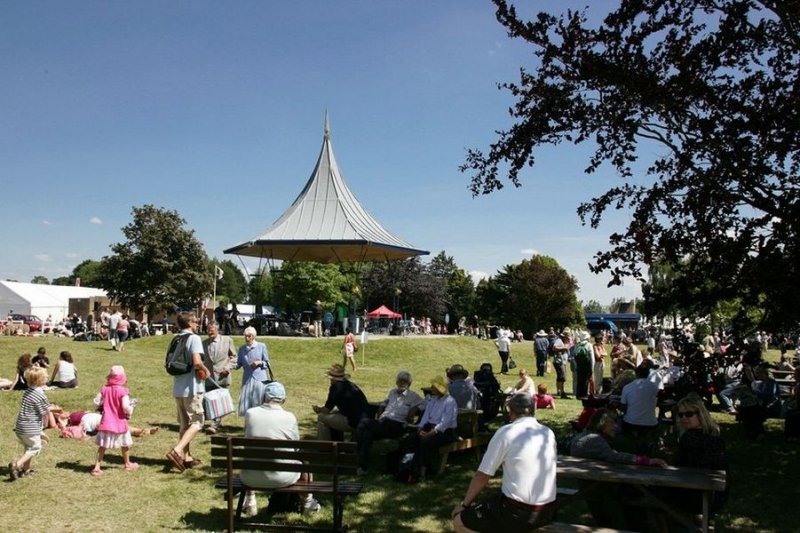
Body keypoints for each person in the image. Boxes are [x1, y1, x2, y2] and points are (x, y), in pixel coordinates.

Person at [452, 393, 557, 532]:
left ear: (509, 411)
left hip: (518, 512)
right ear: (533, 409)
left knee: (459, 521)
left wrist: (464, 505)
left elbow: (483, 475)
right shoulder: (548, 432)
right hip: (547, 511)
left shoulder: (506, 432)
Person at [569, 408, 666, 530]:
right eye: (613, 422)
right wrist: (646, 460)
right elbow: (614, 457)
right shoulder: (594, 439)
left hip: (590, 485)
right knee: (635, 492)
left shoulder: (584, 436)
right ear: (602, 423)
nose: (616, 426)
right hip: (598, 489)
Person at [240, 382, 321, 517]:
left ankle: (250, 502)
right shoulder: (289, 417)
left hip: (250, 476)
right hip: (282, 477)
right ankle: (308, 503)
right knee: (304, 463)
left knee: (252, 459)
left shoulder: (250, 413)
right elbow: (296, 447)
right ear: (283, 400)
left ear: (264, 397)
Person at [165, 312, 210, 473]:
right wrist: (206, 370)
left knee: (184, 424)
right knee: (197, 422)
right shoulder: (194, 338)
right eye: (196, 321)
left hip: (178, 388)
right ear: (190, 323)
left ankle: (187, 457)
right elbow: (197, 362)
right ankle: (177, 450)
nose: (198, 323)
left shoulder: (176, 338)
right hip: (192, 388)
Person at [354, 370, 424, 473]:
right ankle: (362, 466)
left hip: (397, 425)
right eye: (400, 381)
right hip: (384, 422)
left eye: (405, 381)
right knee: (368, 433)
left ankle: (352, 453)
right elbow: (386, 401)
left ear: (409, 384)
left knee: (364, 422)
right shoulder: (392, 392)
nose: (402, 383)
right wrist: (381, 407)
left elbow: (426, 404)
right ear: (396, 382)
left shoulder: (413, 396)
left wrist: (415, 409)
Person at [9, 367, 61, 480]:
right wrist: (56, 409)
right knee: (36, 447)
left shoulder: (28, 391)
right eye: (45, 376)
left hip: (21, 426)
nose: (47, 377)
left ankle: (25, 470)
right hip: (30, 427)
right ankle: (17, 465)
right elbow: (44, 411)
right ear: (39, 380)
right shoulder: (40, 394)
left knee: (29, 447)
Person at [406, 375, 458, 480]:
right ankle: (408, 467)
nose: (431, 388)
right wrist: (420, 428)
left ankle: (422, 472)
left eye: (434, 386)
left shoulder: (450, 402)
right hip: (429, 428)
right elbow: (426, 417)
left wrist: (431, 433)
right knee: (411, 438)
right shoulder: (432, 400)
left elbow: (445, 422)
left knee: (427, 442)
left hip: (445, 432)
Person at [90, 366, 139, 475]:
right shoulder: (123, 391)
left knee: (102, 446)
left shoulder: (104, 389)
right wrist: (130, 411)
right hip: (120, 422)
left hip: (106, 421)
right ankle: (127, 463)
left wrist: (101, 405)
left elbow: (96, 402)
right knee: (125, 444)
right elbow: (125, 406)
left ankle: (97, 467)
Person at [313, 363, 369, 441]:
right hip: (364, 419)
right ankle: (337, 442)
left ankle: (324, 447)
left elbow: (326, 410)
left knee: (321, 417)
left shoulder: (335, 388)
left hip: (353, 422)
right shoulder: (350, 385)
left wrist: (318, 409)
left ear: (333, 379)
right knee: (335, 414)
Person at [202, 321, 237, 433]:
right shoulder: (204, 343)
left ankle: (215, 425)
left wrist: (228, 368)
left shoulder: (227, 340)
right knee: (210, 401)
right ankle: (213, 422)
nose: (209, 333)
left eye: (211, 331)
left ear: (217, 330)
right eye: (208, 331)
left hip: (222, 376)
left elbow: (234, 357)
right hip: (209, 377)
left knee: (219, 401)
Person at [620, 363, 660, 454]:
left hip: (631, 421)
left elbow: (623, 407)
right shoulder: (654, 387)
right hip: (650, 421)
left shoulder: (627, 387)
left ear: (636, 374)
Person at [233, 326, 273, 417]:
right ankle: (248, 422)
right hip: (247, 379)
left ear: (254, 336)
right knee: (246, 402)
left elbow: (267, 364)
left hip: (259, 379)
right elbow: (238, 364)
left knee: (258, 401)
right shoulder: (242, 349)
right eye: (246, 336)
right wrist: (230, 365)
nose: (247, 338)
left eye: (249, 336)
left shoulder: (261, 346)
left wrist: (259, 363)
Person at [552, 328, 571, 399]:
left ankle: (559, 391)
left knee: (560, 377)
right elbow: (554, 348)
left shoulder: (561, 340)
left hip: (560, 361)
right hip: (559, 361)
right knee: (562, 377)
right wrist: (564, 348)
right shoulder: (559, 341)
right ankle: (562, 392)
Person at [574, 332, 593, 398]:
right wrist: (592, 368)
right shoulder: (589, 345)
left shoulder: (578, 345)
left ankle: (578, 394)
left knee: (579, 380)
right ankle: (584, 394)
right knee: (585, 380)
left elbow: (574, 356)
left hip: (579, 366)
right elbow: (592, 358)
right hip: (587, 366)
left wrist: (576, 366)